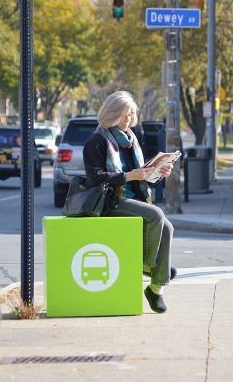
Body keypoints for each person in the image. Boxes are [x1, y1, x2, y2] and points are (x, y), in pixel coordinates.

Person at [82, 91, 176, 314]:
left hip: (133, 197)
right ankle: (148, 266)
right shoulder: (96, 141)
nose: (129, 119)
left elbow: (141, 179)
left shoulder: (131, 140)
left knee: (168, 227)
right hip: (109, 201)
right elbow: (95, 178)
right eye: (125, 115)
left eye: (132, 114)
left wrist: (158, 173)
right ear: (112, 114)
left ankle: (156, 289)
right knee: (156, 215)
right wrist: (130, 176)